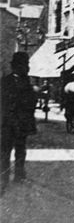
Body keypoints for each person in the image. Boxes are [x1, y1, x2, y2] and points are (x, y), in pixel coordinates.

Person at [1, 52, 38, 191]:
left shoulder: (27, 82)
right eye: (24, 65)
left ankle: (19, 174)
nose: (26, 68)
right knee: (5, 151)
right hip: (8, 123)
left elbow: (31, 103)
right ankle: (3, 177)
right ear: (16, 66)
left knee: (20, 150)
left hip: (22, 123)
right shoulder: (4, 82)